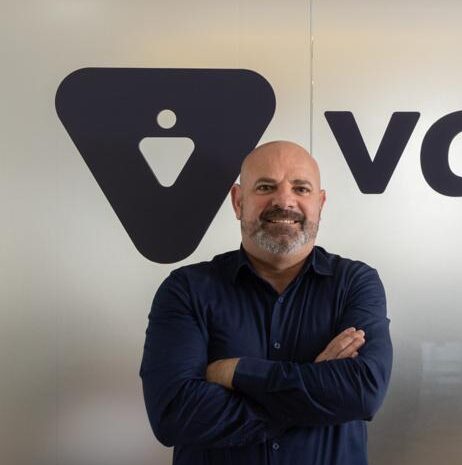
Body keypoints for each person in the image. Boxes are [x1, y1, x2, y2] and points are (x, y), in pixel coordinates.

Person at [140, 141, 392, 465]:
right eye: (265, 187)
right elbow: (174, 414)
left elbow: (362, 392)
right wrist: (315, 393)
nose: (284, 201)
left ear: (320, 204)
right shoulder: (186, 290)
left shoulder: (355, 283)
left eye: (300, 188)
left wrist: (237, 372)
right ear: (238, 201)